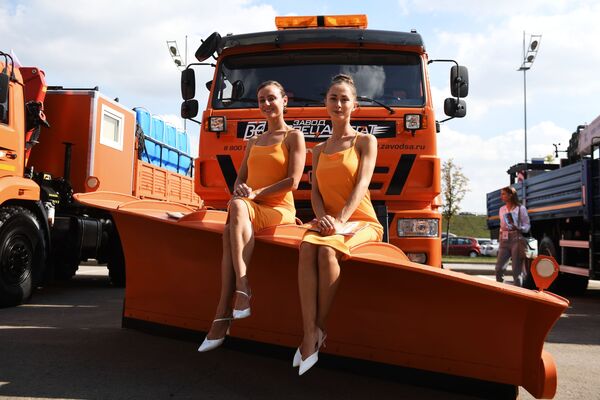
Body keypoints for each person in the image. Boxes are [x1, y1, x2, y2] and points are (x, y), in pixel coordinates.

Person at [198, 80, 306, 352]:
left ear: (284, 102)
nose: (267, 104)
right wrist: (243, 189)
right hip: (252, 206)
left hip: (279, 209)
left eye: (272, 98)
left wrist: (255, 193)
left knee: (231, 222)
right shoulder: (254, 141)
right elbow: (239, 181)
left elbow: (293, 181)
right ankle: (242, 290)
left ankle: (224, 311)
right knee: (234, 207)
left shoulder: (294, 136)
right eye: (261, 100)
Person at [293, 74, 383, 375]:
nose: (339, 103)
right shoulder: (317, 150)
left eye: (345, 98)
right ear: (325, 104)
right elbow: (315, 191)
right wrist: (321, 218)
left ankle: (316, 331)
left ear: (354, 105)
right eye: (333, 98)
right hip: (329, 222)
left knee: (327, 252)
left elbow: (362, 185)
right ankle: (310, 333)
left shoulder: (365, 141)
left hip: (361, 221)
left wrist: (341, 220)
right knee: (307, 247)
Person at [495, 186, 531, 287]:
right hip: (504, 238)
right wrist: (500, 239)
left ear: (510, 195)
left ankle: (518, 296)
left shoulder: (521, 208)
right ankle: (500, 292)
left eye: (503, 194)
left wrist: (520, 228)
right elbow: (501, 226)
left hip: (517, 239)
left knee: (516, 271)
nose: (501, 196)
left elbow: (527, 225)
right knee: (499, 269)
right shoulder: (501, 209)